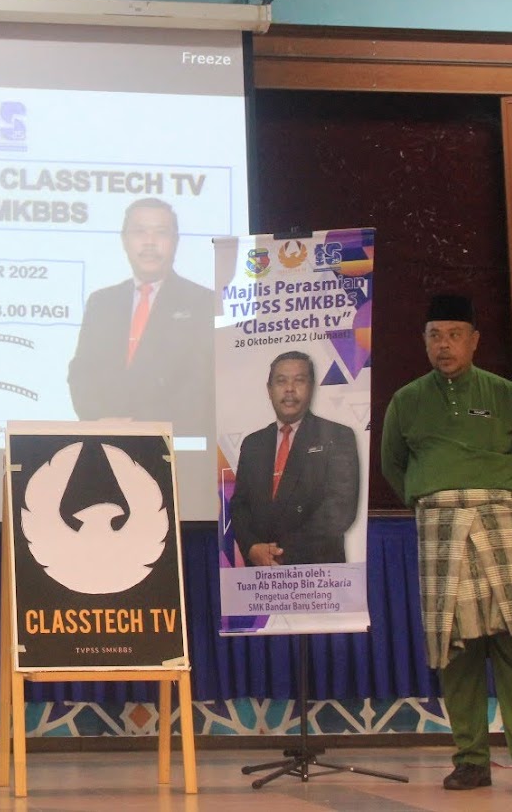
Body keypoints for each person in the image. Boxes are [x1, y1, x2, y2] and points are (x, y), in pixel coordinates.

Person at [380, 294, 512, 798]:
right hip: (441, 530)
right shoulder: (407, 400)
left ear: (475, 340)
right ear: (424, 342)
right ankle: (472, 761)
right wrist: (435, 501)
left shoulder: (507, 395)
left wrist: (500, 506)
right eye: (435, 335)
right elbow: (394, 466)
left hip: (501, 524)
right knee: (455, 651)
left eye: (455, 335)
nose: (445, 345)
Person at [68, 198, 215, 437]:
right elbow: (81, 372)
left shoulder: (204, 303)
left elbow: (200, 386)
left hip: (176, 444)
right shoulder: (101, 302)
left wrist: (138, 425)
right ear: (124, 240)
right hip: (104, 439)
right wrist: (100, 420)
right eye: (139, 232)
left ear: (176, 241)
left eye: (161, 232)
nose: (149, 242)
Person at [227, 351, 360, 566]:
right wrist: (251, 547)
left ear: (312, 387)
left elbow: (340, 510)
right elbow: (239, 505)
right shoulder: (253, 443)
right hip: (259, 573)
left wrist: (280, 552)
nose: (289, 389)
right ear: (269, 390)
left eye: (299, 380)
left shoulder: (337, 436)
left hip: (317, 571)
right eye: (281, 381)